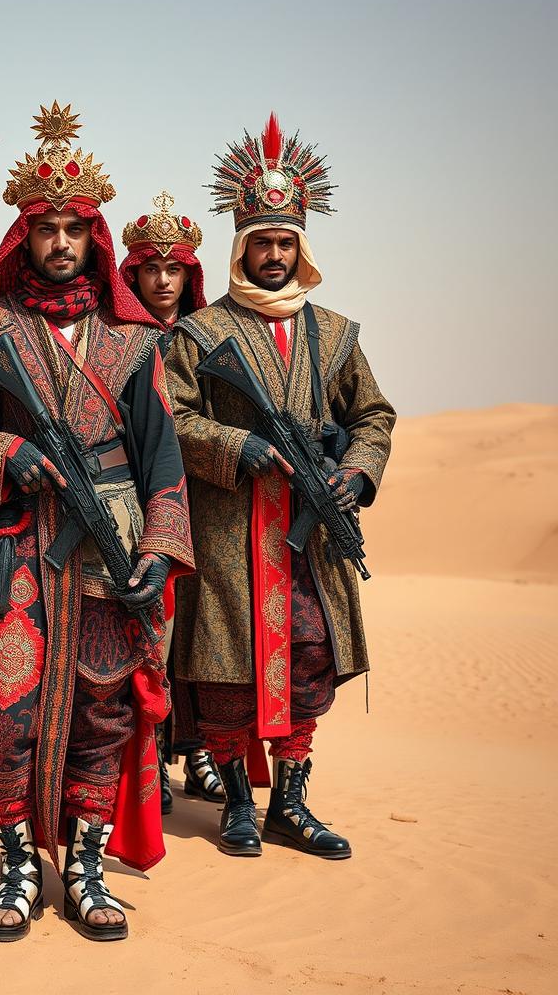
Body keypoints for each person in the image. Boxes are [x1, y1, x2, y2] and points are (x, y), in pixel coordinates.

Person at [0, 103, 194, 942]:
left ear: (96, 237)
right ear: (25, 237)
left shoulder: (135, 341)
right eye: (48, 228)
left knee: (101, 714)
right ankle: (16, 862)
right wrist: (3, 454)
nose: (63, 242)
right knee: (10, 710)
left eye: (77, 228)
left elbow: (163, 461)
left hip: (109, 559)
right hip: (15, 553)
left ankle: (84, 864)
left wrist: (162, 547)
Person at [165, 113, 395, 859]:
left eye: (285, 242)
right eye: (261, 241)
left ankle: (290, 807)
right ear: (241, 245)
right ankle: (236, 802)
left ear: (302, 246)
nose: (272, 254)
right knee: (228, 672)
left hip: (311, 540)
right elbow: (172, 418)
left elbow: (374, 414)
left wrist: (356, 472)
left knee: (305, 664)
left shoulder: (337, 333)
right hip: (232, 533)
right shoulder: (199, 334)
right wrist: (242, 446)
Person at [119, 192, 225, 812]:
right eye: (151, 269)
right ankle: (149, 756)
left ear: (191, 274)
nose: (163, 281)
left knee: (202, 634)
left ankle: (203, 750)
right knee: (149, 630)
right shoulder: (120, 336)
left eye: (175, 268)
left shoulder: (211, 340)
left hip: (207, 505)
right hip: (139, 501)